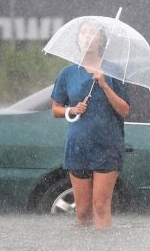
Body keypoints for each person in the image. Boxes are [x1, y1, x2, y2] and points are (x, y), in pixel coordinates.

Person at [50, 20, 130, 228]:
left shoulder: (114, 71)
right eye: (83, 33)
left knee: (100, 206)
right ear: (78, 40)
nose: (87, 36)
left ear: (101, 40)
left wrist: (104, 84)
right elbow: (55, 109)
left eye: (92, 33)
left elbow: (124, 110)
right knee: (83, 211)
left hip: (107, 146)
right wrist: (72, 110)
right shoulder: (68, 73)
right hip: (78, 146)